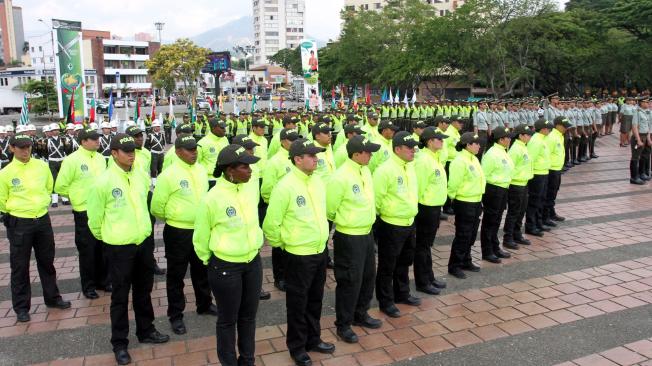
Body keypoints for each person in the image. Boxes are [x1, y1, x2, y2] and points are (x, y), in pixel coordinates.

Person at [87, 133, 169, 365]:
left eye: (133, 150)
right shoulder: (103, 182)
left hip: (142, 243)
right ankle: (119, 343)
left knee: (144, 291)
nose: (132, 154)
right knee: (120, 296)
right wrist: (111, 238)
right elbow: (94, 220)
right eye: (126, 151)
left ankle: (146, 330)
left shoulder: (141, 175)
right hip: (118, 247)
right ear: (114, 153)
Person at [263, 139, 334, 366]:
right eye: (311, 155)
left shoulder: (317, 182)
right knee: (297, 303)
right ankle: (297, 346)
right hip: (297, 254)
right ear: (297, 159)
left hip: (319, 251)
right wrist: (286, 245)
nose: (316, 158)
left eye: (317, 155)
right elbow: (271, 225)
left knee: (315, 299)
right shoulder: (285, 186)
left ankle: (313, 339)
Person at [193, 144, 263, 366]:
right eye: (245, 167)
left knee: (248, 317)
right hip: (226, 267)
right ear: (229, 170)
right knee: (227, 320)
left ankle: (248, 359)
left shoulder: (249, 188)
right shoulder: (212, 198)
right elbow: (201, 238)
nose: (251, 171)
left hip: (253, 262)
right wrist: (211, 261)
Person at [0, 134, 71, 322]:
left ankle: (53, 298)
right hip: (19, 222)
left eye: (28, 147)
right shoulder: (5, 173)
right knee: (19, 266)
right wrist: (14, 212)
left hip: (41, 220)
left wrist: (43, 203)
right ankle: (21, 307)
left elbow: (49, 187)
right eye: (21, 147)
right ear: (12, 148)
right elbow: (1, 200)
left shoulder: (41, 166)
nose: (25, 150)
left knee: (47, 262)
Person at [151, 135, 216, 336]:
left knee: (201, 270)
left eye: (195, 149)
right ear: (178, 151)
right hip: (178, 232)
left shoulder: (200, 170)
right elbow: (157, 208)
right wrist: (176, 217)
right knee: (176, 275)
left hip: (200, 229)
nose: (194, 152)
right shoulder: (168, 175)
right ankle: (176, 315)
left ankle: (204, 304)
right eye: (189, 149)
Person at [327, 135, 383, 344]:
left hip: (366, 233)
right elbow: (330, 208)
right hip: (349, 236)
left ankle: (361, 313)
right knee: (350, 281)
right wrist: (348, 221)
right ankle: (343, 324)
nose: (370, 155)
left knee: (368, 276)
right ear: (356, 153)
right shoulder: (340, 177)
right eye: (367, 152)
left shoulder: (365, 170)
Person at [54, 127, 109, 299]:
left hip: (101, 209)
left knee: (102, 247)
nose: (97, 141)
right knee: (87, 250)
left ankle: (103, 281)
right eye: (93, 139)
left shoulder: (101, 159)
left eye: (97, 138)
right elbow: (60, 186)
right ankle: (89, 286)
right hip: (83, 211)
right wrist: (77, 197)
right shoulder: (72, 160)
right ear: (83, 142)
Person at [373, 131, 421, 318]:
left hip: (409, 222)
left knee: (404, 261)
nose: (413, 151)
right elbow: (377, 199)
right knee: (388, 265)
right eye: (410, 148)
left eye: (414, 148)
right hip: (391, 224)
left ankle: (402, 293)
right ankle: (386, 301)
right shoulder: (385, 170)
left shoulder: (410, 166)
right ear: (398, 148)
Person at [260, 128, 301, 292]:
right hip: (281, 207)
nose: (294, 143)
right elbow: (267, 189)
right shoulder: (275, 162)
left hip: (296, 207)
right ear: (283, 141)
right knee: (279, 245)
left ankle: (291, 273)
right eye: (291, 140)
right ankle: (280, 277)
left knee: (292, 241)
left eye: (295, 139)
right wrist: (276, 204)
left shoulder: (297, 158)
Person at [413, 127, 449, 294]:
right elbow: (418, 188)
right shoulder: (423, 160)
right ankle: (422, 281)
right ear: (429, 141)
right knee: (422, 246)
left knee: (427, 245)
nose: (442, 141)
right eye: (439, 139)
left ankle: (430, 277)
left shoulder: (434, 157)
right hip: (425, 208)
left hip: (434, 207)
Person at [447, 132, 485, 279]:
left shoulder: (473, 159)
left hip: (476, 201)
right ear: (468, 145)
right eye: (476, 143)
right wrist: (454, 199)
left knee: (471, 234)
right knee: (463, 234)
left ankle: (466, 260)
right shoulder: (460, 161)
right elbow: (453, 185)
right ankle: (454, 265)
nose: (479, 146)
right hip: (465, 202)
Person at [479, 127, 514, 264]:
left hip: (503, 189)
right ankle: (487, 251)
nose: (510, 139)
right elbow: (484, 175)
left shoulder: (503, 151)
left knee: (497, 220)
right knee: (490, 221)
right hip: (493, 190)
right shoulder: (492, 154)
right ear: (500, 139)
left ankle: (495, 247)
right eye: (507, 137)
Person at [502, 125, 534, 250]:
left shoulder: (523, 147)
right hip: (516, 184)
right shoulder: (515, 149)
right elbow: (510, 168)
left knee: (521, 211)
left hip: (524, 183)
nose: (530, 136)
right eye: (527, 134)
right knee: (514, 212)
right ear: (520, 136)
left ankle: (517, 234)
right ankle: (508, 237)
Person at [524, 119, 552, 237]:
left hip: (543, 172)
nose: (550, 130)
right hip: (537, 174)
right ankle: (531, 226)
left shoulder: (542, 139)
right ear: (543, 129)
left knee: (540, 200)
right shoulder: (536, 140)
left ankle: (538, 223)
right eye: (548, 128)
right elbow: (531, 159)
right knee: (534, 200)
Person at [543, 117, 571, 224]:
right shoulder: (551, 137)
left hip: (557, 169)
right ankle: (545, 217)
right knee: (549, 193)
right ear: (558, 125)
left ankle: (551, 212)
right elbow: (547, 153)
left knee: (554, 192)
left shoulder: (559, 135)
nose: (566, 128)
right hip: (551, 170)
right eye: (564, 126)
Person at [197, 117, 230, 189]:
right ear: (213, 128)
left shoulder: (225, 139)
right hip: (210, 180)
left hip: (225, 179)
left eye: (225, 127)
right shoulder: (202, 143)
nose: (225, 130)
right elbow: (196, 163)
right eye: (222, 128)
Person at [144, 120, 166, 185]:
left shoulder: (161, 134)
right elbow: (146, 146)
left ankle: (159, 181)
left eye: (159, 126)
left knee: (160, 167)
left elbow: (163, 143)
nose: (158, 128)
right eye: (157, 126)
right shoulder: (150, 135)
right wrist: (149, 154)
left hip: (161, 154)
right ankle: (154, 183)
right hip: (154, 154)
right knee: (153, 168)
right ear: (153, 127)